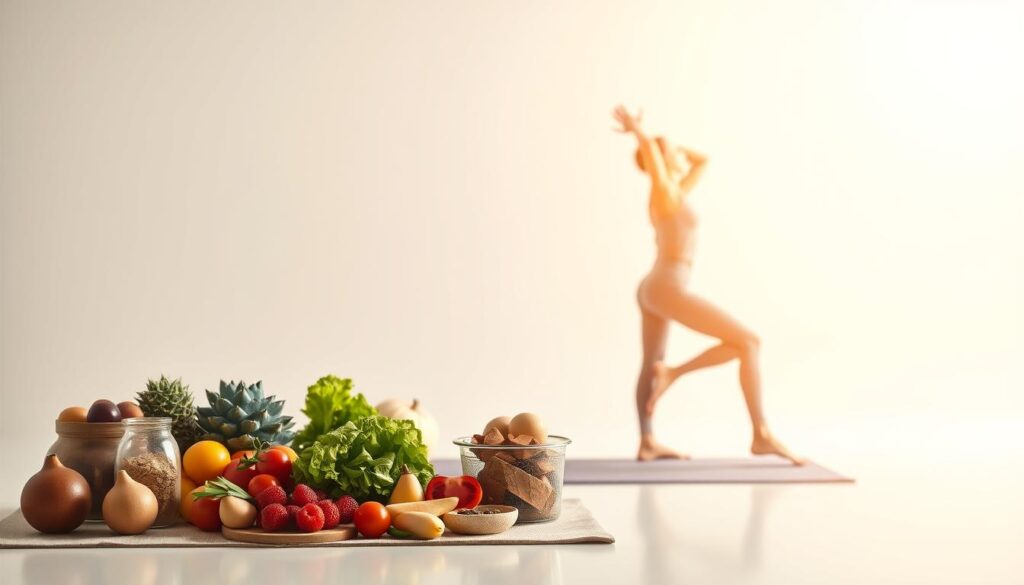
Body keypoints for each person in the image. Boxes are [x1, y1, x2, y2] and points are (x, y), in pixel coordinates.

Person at [612, 105, 803, 464]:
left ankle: (648, 439)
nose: (677, 152)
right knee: (749, 342)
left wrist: (673, 149)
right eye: (669, 150)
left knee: (653, 361)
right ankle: (761, 434)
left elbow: (704, 161)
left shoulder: (676, 192)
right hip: (667, 286)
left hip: (656, 286)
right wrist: (639, 131)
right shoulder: (664, 191)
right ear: (659, 160)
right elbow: (652, 154)